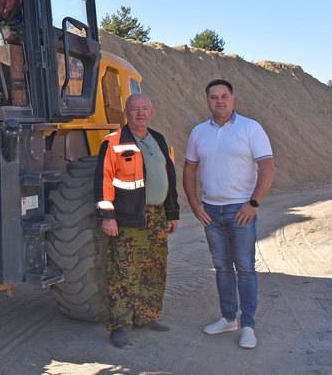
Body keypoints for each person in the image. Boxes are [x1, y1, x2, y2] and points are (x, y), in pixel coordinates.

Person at [183, 79, 275, 349]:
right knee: (222, 267)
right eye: (213, 97)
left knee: (245, 268)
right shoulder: (199, 132)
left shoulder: (250, 128)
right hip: (210, 211)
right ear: (207, 100)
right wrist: (195, 205)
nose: (219, 101)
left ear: (233, 98)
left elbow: (267, 167)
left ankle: (247, 324)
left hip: (240, 210)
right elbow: (189, 170)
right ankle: (227, 317)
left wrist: (253, 204)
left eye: (224, 96)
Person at [96, 94, 179, 348]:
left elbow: (170, 178)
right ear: (126, 113)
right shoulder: (114, 142)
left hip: (157, 215)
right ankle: (120, 325)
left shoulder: (159, 140)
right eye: (135, 109)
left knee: (154, 269)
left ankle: (147, 316)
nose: (140, 113)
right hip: (129, 216)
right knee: (123, 271)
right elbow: (103, 182)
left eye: (145, 109)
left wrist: (172, 213)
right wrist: (108, 216)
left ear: (152, 112)